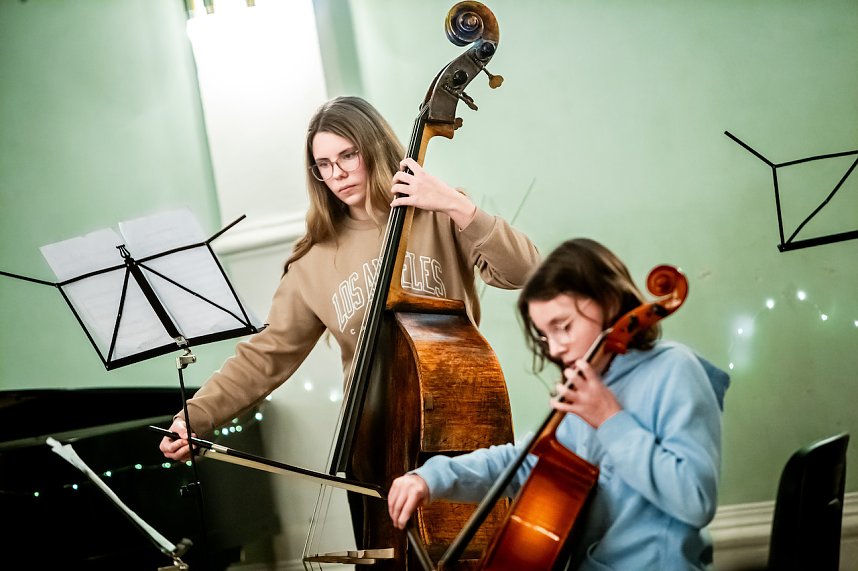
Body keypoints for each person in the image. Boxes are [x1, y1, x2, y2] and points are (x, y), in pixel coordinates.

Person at [159, 95, 539, 461]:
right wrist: (195, 417)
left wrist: (456, 204)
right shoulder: (312, 262)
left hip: (460, 419)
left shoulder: (439, 215)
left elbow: (523, 271)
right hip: (376, 441)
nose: (336, 173)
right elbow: (265, 356)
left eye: (347, 155)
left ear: (374, 147)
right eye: (323, 164)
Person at [388, 238, 729, 570]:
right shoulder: (588, 384)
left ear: (608, 302)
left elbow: (696, 499)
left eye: (563, 327)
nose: (555, 348)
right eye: (544, 335)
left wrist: (609, 418)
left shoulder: (674, 370)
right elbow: (524, 462)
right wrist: (431, 477)